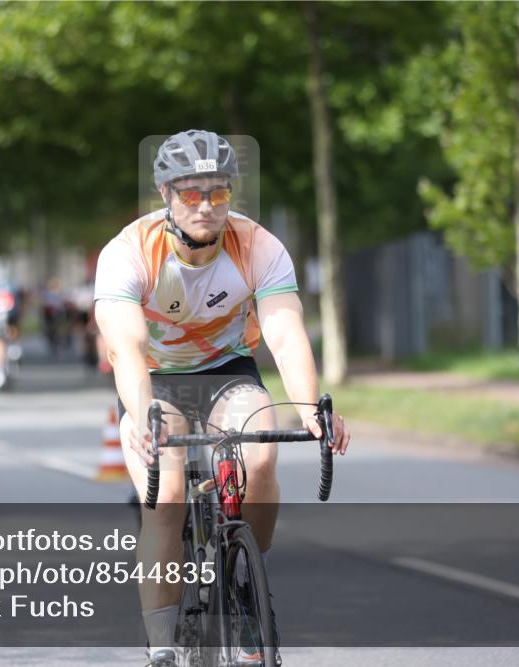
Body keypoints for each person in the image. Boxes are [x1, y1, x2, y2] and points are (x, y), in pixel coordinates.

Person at [93, 130, 351, 667]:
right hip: (155, 380)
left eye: (218, 192)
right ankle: (163, 648)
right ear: (165, 193)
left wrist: (310, 410)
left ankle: (243, 577)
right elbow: (127, 346)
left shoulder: (257, 244)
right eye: (191, 193)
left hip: (226, 371)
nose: (206, 205)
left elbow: (284, 332)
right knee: (165, 497)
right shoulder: (129, 252)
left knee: (260, 453)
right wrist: (144, 417)